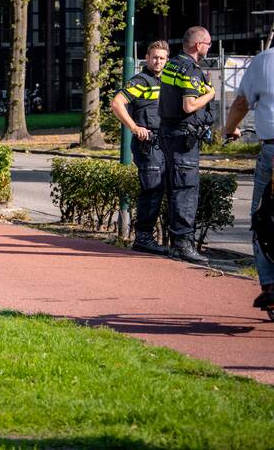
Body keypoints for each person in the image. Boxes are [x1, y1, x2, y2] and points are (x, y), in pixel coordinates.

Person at [158, 26, 215, 262]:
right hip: (183, 137)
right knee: (186, 190)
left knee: (174, 188)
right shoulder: (190, 68)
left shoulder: (173, 64)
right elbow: (189, 106)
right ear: (198, 45)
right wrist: (210, 94)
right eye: (208, 43)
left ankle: (175, 243)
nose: (209, 47)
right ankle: (184, 244)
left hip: (169, 133)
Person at [222, 51, 274, 310]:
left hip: (273, 149)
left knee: (262, 216)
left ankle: (271, 285)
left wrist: (229, 128)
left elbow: (241, 102)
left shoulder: (265, 61)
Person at [110, 40, 169, 255]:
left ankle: (161, 238)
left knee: (167, 189)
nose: (158, 61)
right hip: (148, 144)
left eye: (162, 58)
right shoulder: (140, 81)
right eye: (154, 57)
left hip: (165, 143)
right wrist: (135, 127)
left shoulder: (166, 82)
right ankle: (143, 237)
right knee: (152, 190)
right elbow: (117, 103)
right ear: (147, 57)